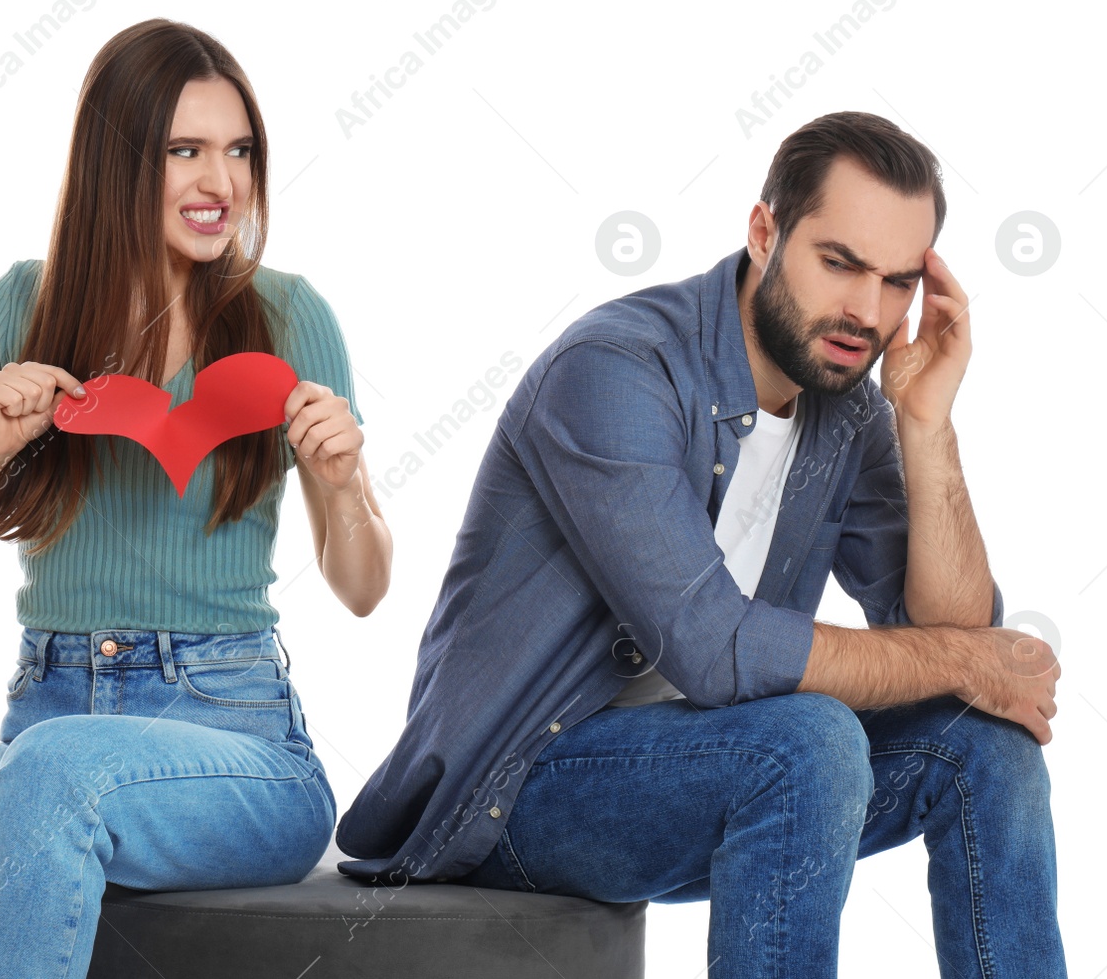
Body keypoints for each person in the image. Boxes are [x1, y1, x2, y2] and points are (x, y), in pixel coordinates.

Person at [334, 111, 1065, 978]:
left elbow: (955, 628)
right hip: (514, 787)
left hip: (711, 766)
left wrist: (926, 420)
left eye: (898, 282)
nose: (867, 313)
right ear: (765, 231)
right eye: (839, 263)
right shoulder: (615, 367)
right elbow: (717, 648)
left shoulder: (851, 406)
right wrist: (960, 658)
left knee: (988, 746)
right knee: (809, 741)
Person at [0, 19, 391, 978]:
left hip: (235, 741)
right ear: (118, 159)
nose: (221, 182)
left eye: (239, 151)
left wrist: (345, 487)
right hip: (42, 727)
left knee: (56, 777)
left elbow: (363, 586)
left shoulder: (288, 316)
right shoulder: (28, 304)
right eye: (185, 151)